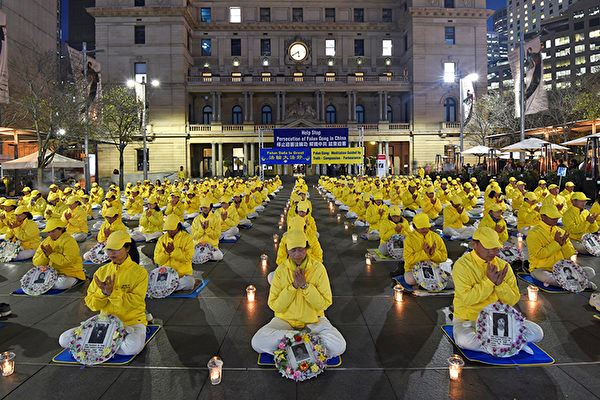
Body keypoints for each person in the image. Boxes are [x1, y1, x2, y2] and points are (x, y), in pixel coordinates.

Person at [251, 229, 346, 358]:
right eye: (293, 250)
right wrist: (293, 286)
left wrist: (305, 286)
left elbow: (324, 304)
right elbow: (275, 306)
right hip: (285, 322)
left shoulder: (318, 269)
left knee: (339, 345)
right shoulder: (281, 270)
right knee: (257, 342)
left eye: (301, 249)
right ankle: (306, 341)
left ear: (306, 248)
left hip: (314, 322)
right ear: (287, 250)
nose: (297, 254)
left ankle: (293, 343)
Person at [452, 226, 544, 353]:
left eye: (495, 248)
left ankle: (500, 345)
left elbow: (513, 299)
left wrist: (500, 285)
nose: (492, 252)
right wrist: (489, 282)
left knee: (537, 332)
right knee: (465, 340)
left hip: (499, 319)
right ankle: (512, 345)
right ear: (474, 244)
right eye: (487, 248)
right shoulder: (462, 265)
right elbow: (468, 299)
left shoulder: (503, 265)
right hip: (469, 319)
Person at [59, 231, 149, 356]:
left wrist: (113, 293)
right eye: (109, 249)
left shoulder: (139, 272)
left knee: (131, 347)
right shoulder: (102, 271)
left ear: (127, 248)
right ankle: (108, 344)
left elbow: (136, 302)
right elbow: (92, 304)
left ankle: (102, 345)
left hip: (131, 321)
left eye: (116, 249)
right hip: (106, 322)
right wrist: (103, 293)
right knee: (64, 339)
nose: (111, 253)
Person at [527, 204, 596, 289]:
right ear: (543, 216)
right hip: (541, 269)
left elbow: (569, 254)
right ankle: (582, 283)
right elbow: (539, 254)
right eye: (552, 217)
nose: (555, 220)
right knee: (549, 278)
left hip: (561, 268)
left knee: (590, 271)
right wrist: (557, 243)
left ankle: (573, 282)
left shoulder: (561, 231)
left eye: (556, 217)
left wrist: (564, 244)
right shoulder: (533, 233)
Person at [32, 218, 85, 289]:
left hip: (69, 272)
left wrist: (51, 254)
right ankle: (48, 284)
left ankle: (75, 280)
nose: (50, 234)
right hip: (51, 272)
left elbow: (67, 261)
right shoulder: (46, 242)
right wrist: (45, 256)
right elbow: (35, 262)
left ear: (61, 229)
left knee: (61, 284)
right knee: (31, 279)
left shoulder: (69, 241)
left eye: (53, 231)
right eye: (49, 232)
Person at [403, 213, 451, 287]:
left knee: (451, 281)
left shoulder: (436, 237)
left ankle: (424, 284)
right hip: (413, 269)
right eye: (422, 228)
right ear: (414, 227)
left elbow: (444, 257)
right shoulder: (409, 239)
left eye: (427, 227)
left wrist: (433, 253)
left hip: (433, 268)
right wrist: (424, 253)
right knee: (410, 280)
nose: (425, 230)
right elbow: (408, 259)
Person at [154, 214, 195, 291]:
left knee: (190, 282)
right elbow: (157, 261)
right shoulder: (161, 239)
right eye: (168, 229)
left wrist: (173, 251)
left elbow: (188, 258)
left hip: (182, 275)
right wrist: (166, 253)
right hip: (166, 275)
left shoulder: (188, 238)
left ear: (178, 226)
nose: (170, 232)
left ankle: (166, 288)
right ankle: (169, 287)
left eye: (172, 229)